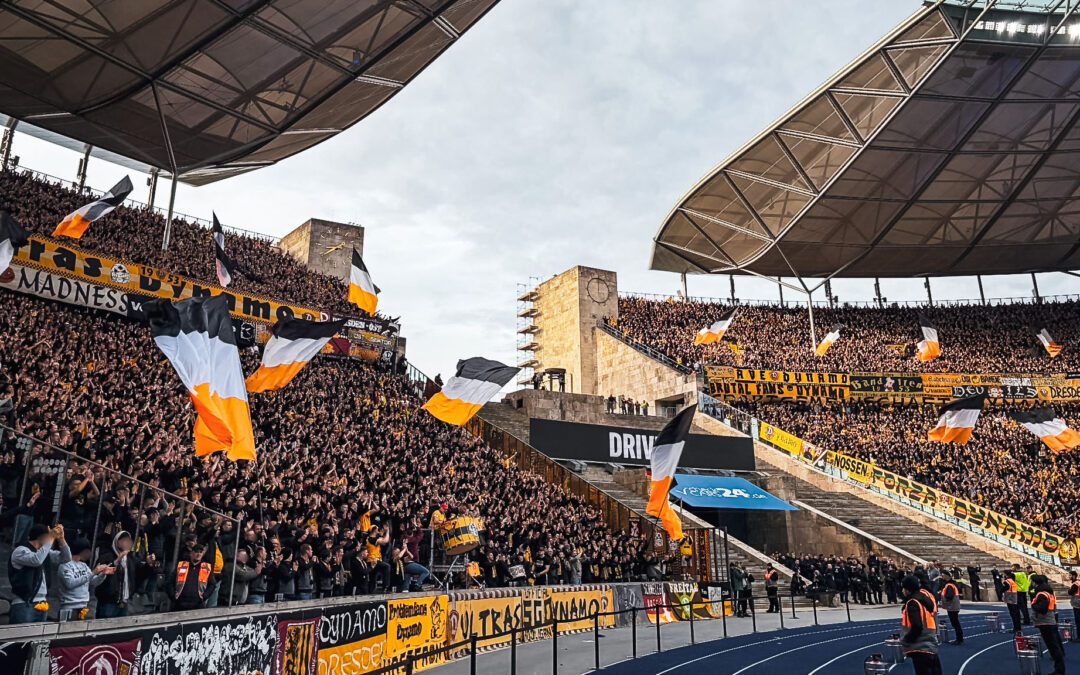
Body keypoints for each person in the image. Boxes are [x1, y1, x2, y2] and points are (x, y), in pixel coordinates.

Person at [9, 523, 69, 623]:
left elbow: (66, 558)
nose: (51, 541)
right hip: (24, 603)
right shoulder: (20, 550)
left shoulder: (44, 553)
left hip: (42, 603)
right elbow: (36, 560)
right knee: (22, 632)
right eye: (49, 536)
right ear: (41, 537)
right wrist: (51, 538)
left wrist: (61, 539)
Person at [57, 538, 110, 621]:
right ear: (82, 551)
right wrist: (93, 573)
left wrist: (103, 574)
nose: (90, 554)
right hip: (69, 608)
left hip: (83, 607)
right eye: (88, 551)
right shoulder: (65, 565)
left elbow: (93, 582)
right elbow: (70, 583)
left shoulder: (84, 565)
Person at [95, 530, 143, 619]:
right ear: (117, 543)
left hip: (124, 602)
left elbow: (140, 574)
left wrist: (150, 565)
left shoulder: (130, 559)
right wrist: (117, 561)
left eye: (129, 540)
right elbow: (98, 575)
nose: (128, 543)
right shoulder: (107, 556)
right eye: (125, 540)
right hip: (108, 602)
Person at [900, 575, 942, 675]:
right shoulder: (924, 600)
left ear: (908, 589)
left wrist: (906, 639)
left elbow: (917, 626)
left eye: (903, 588)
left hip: (920, 646)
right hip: (930, 643)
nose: (902, 591)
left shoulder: (912, 603)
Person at [1030, 574, 1065, 675]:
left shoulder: (1042, 594)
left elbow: (1042, 608)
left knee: (1053, 646)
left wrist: (1033, 605)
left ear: (1035, 582)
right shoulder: (1046, 592)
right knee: (1054, 645)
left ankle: (1059, 670)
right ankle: (1058, 669)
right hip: (1049, 621)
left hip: (1046, 622)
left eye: (1032, 581)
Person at [168, 543, 215, 611]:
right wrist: (173, 596)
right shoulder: (182, 565)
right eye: (196, 552)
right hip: (180, 604)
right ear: (191, 553)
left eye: (200, 552)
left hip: (197, 604)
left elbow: (212, 585)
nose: (198, 554)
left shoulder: (206, 568)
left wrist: (204, 596)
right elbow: (169, 582)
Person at [939, 570, 963, 645]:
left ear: (947, 575)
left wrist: (944, 599)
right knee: (955, 623)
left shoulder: (949, 585)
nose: (942, 576)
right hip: (953, 606)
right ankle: (959, 638)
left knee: (955, 623)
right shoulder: (950, 584)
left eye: (943, 575)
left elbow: (949, 596)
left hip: (952, 606)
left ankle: (959, 639)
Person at [1069, 570, 1080, 638]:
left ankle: (1079, 636)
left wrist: (1069, 590)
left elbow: (1070, 592)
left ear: (1073, 576)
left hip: (1077, 604)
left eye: (1070, 575)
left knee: (1078, 621)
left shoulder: (1075, 584)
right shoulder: (1078, 582)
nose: (1069, 577)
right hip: (1077, 603)